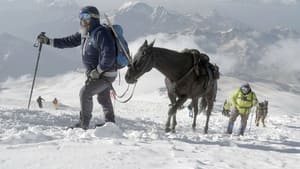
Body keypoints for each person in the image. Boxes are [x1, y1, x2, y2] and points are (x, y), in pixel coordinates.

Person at [37, 6, 117, 130]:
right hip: (96, 73)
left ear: (94, 18)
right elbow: (68, 41)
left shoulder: (101, 33)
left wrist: (99, 70)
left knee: (85, 93)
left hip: (105, 74)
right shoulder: (86, 33)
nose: (82, 20)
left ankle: (83, 124)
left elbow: (109, 54)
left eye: (85, 17)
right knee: (103, 97)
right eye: (80, 17)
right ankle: (110, 124)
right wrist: (48, 41)